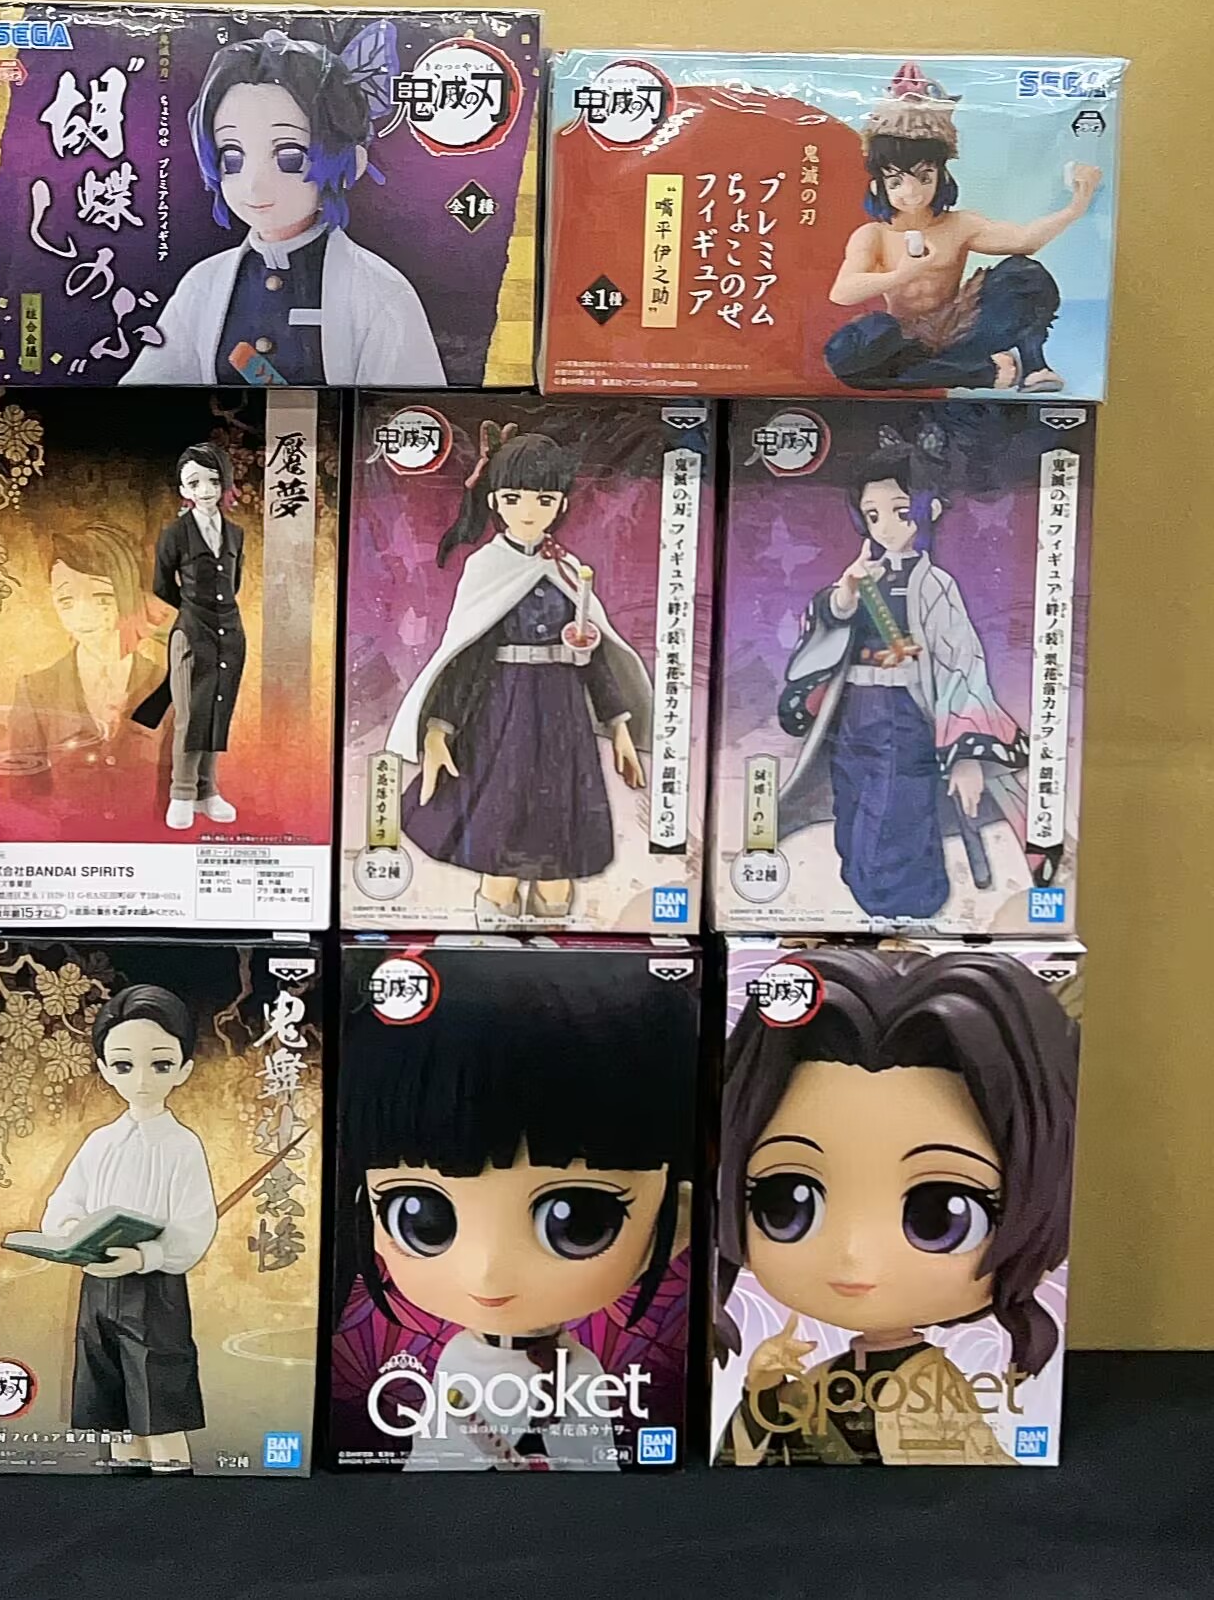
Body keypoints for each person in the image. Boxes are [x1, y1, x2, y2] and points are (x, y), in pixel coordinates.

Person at [715, 946, 1079, 1466]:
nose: (854, 1256)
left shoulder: (933, 1391)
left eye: (941, 1217)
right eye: (788, 1206)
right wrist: (763, 1393)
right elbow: (749, 1457)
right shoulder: (825, 1376)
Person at [339, 947, 695, 1470]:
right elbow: (432, 1466)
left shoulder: (581, 1374)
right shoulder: (457, 1363)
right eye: (422, 1221)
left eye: (578, 1223)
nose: (487, 1271)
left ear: (678, 1222)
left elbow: (594, 1471)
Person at [387, 426, 652, 926]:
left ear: (560, 505)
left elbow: (595, 654)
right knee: (500, 843)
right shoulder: (486, 567)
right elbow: (465, 657)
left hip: (563, 717)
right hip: (500, 715)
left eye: (543, 500)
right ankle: (495, 937)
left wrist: (619, 725)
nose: (528, 510)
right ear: (495, 501)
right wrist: (439, 729)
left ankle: (553, 938)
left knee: (557, 853)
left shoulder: (569, 569)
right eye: (514, 498)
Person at [119, 27, 445, 385]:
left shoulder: (380, 291)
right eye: (232, 158)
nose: (254, 184)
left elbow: (407, 407)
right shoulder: (203, 284)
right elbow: (147, 392)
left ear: (352, 163)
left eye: (290, 157)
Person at [777, 459, 1028, 921]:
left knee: (893, 822)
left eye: (898, 511)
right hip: (852, 715)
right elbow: (822, 630)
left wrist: (966, 756)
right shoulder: (863, 575)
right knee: (852, 817)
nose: (886, 526)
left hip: (906, 717)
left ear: (929, 510)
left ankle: (905, 912)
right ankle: (873, 911)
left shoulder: (935, 585)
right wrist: (845, 596)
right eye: (873, 515)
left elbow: (961, 662)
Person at [823, 62, 1101, 391]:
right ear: (878, 186)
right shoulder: (874, 235)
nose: (911, 192)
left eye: (924, 177)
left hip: (961, 327)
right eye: (896, 182)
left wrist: (1075, 208)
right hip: (907, 343)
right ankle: (979, 373)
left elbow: (1024, 241)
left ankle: (1033, 366)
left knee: (1025, 273)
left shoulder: (959, 224)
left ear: (941, 176)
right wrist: (902, 274)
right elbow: (842, 292)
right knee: (847, 356)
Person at [33, 985, 219, 1473]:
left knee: (158, 1383)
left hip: (155, 1287)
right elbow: (64, 1203)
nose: (140, 1079)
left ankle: (173, 1482)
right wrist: (73, 1232)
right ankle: (121, 1474)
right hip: (97, 1285)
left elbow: (195, 1223)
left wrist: (145, 1256)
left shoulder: (182, 1146)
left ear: (183, 1069)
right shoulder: (100, 1142)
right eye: (123, 1064)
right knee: (108, 1389)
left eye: (160, 1064)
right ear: (104, 1068)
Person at [130, 445, 246, 829]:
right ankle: (181, 792)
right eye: (195, 483)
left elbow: (234, 583)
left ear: (224, 483)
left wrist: (219, 612)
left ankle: (208, 791)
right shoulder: (175, 534)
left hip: (231, 633)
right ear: (183, 488)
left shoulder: (236, 534)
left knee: (218, 712)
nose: (205, 490)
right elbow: (162, 585)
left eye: (213, 481)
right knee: (191, 713)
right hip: (191, 633)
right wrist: (193, 608)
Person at [5, 524, 167, 782]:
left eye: (102, 597)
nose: (82, 615)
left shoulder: (168, 685)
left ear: (132, 595)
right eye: (66, 600)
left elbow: (181, 787)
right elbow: (23, 790)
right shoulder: (35, 690)